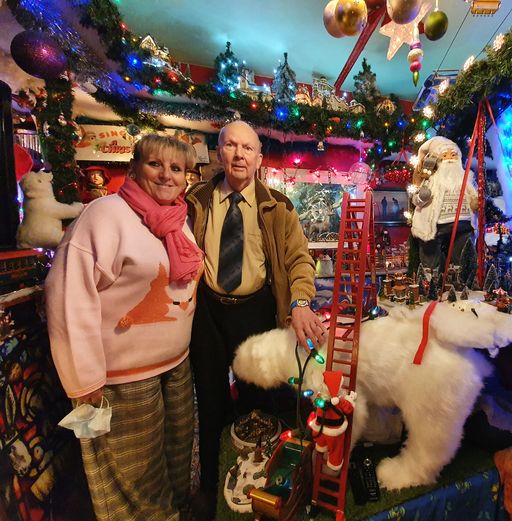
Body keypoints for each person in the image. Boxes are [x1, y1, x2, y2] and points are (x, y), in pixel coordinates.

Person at [45, 135, 202, 520]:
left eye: (177, 169)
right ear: (134, 167)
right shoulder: (105, 215)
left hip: (175, 367)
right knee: (136, 478)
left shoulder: (178, 220)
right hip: (123, 378)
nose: (167, 175)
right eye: (156, 165)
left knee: (176, 459)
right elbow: (68, 295)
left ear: (186, 178)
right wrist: (84, 378)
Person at [186, 120, 326, 518]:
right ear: (219, 152)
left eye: (248, 148)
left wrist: (300, 302)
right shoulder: (195, 199)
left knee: (257, 402)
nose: (239, 154)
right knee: (210, 401)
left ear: (259, 158)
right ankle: (211, 487)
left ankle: (257, 487)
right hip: (208, 312)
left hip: (257, 311)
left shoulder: (278, 205)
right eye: (231, 145)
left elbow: (300, 259)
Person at [411, 136, 479, 273]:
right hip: (437, 224)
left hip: (463, 223)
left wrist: (476, 202)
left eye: (453, 155)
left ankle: (462, 280)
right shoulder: (432, 179)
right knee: (430, 250)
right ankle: (430, 279)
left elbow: (474, 195)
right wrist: (422, 196)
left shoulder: (466, 178)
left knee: (463, 254)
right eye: (445, 155)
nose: (449, 158)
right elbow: (416, 200)